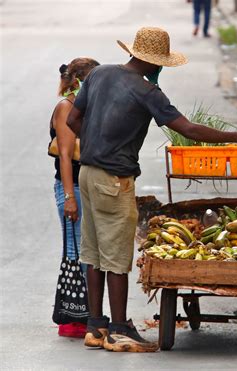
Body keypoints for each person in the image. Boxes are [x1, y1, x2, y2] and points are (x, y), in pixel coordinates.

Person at [66, 27, 237, 352]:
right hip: (114, 180)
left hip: (88, 174)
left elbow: (73, 120)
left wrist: (95, 143)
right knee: (117, 255)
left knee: (93, 252)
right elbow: (187, 128)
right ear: (154, 63)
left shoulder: (100, 73)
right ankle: (119, 330)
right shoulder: (147, 92)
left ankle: (95, 326)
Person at [50, 57, 100, 338]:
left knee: (87, 253)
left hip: (87, 188)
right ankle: (76, 319)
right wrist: (69, 197)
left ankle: (87, 316)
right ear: (81, 81)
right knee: (77, 253)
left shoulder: (84, 107)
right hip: (73, 190)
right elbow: (66, 157)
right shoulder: (65, 108)